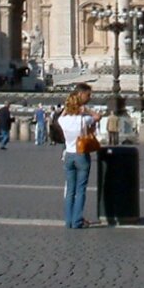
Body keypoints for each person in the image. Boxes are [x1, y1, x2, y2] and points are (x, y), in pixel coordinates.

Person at [59, 83, 96, 229]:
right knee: (80, 190)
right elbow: (96, 117)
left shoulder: (63, 120)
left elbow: (60, 116)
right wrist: (86, 110)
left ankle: (68, 221)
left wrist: (67, 109)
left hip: (68, 155)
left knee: (70, 190)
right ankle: (77, 220)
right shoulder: (83, 120)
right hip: (81, 155)